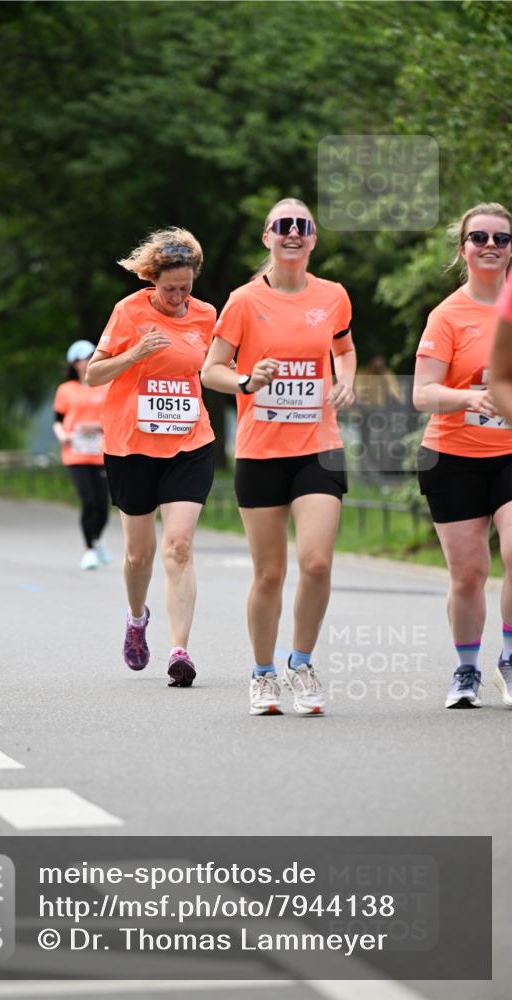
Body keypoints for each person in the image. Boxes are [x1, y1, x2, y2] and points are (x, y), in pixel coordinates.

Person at [201, 197, 356, 716]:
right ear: (267, 237)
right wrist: (246, 380)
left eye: (303, 226)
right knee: (269, 572)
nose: (293, 232)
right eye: (282, 225)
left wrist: (348, 380)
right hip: (261, 451)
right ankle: (263, 674)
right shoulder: (244, 300)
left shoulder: (333, 296)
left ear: (313, 238)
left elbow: (345, 348)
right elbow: (211, 369)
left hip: (319, 448)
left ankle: (302, 662)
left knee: (316, 562)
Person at [86, 228, 216, 687]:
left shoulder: (206, 316)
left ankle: (180, 650)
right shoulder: (128, 312)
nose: (178, 297)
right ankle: (137, 618)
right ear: (152, 282)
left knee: (179, 545)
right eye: (169, 289)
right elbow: (92, 374)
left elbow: (214, 368)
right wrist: (134, 353)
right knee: (139, 554)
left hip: (188, 442)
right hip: (132, 446)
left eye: (186, 287)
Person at [413, 202, 512, 709]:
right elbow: (423, 394)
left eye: (501, 238)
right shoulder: (448, 315)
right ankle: (467, 670)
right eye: (480, 238)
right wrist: (470, 397)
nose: (490, 245)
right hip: (452, 455)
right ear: (464, 249)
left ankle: (510, 659)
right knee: (469, 573)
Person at [53, 340, 110, 570]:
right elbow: (57, 421)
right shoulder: (66, 390)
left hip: (102, 453)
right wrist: (62, 436)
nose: (89, 362)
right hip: (75, 453)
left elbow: (114, 415)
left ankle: (97, 540)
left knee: (103, 506)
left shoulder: (106, 385)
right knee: (88, 501)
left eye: (92, 357)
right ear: (75, 363)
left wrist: (101, 429)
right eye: (85, 358)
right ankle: (89, 549)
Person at [490, 270, 512, 425]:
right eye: (479, 242)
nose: (491, 245)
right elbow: (500, 380)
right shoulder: (445, 314)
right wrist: (467, 397)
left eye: (502, 242)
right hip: (469, 445)